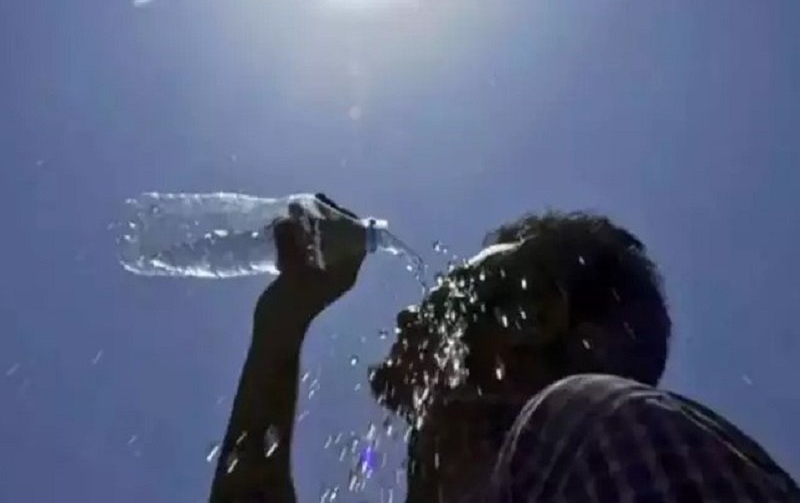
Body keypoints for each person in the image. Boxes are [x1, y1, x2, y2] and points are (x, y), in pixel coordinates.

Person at [208, 195, 800, 503]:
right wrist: (282, 319)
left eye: (453, 289)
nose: (410, 313)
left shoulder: (587, 427)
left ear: (533, 316)